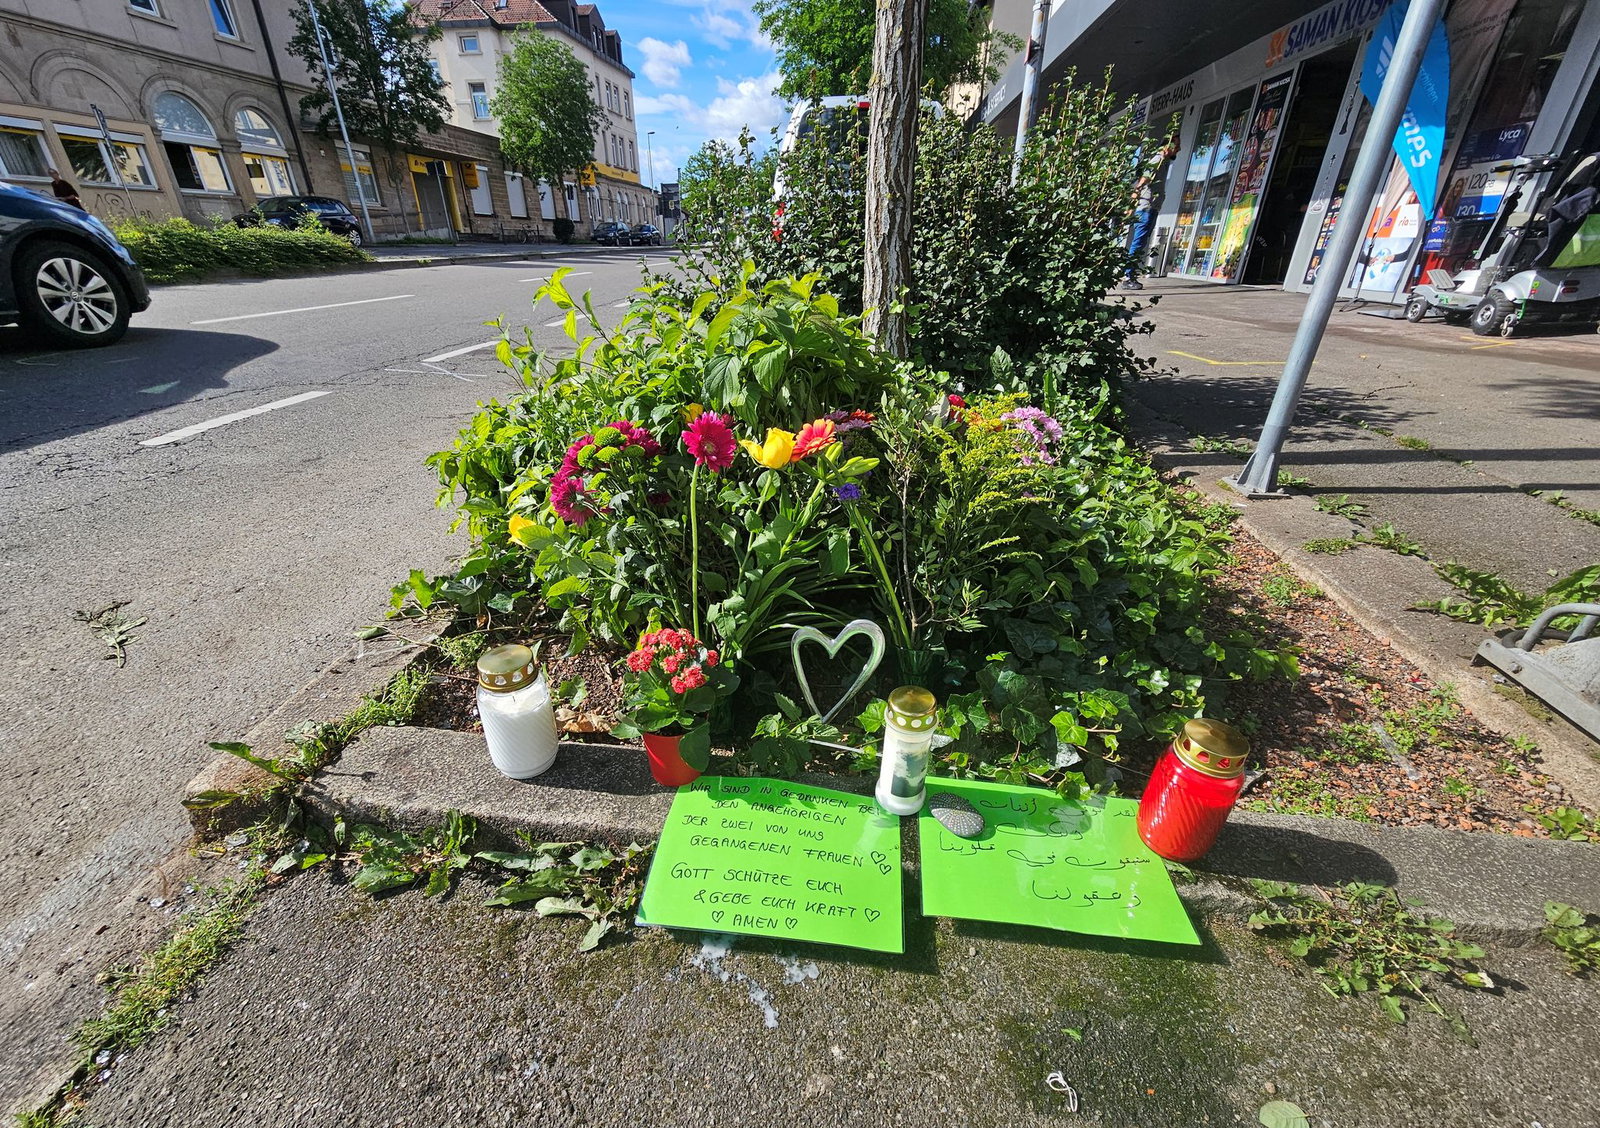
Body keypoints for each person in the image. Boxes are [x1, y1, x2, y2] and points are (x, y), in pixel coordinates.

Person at [1123, 140, 1178, 290]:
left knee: (1140, 243)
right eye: (1177, 146)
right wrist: (1133, 200)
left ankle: (1130, 275)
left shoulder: (1164, 162)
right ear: (1168, 146)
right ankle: (1128, 277)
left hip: (1151, 208)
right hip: (1146, 209)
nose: (1178, 150)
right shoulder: (1157, 160)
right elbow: (1143, 180)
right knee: (1138, 243)